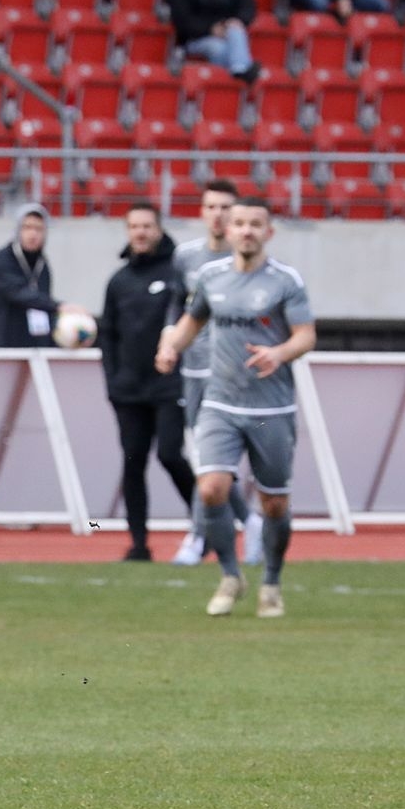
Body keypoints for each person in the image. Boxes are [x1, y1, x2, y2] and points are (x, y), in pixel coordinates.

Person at [156, 199, 316, 619]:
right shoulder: (211, 277)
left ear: (268, 232)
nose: (247, 231)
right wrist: (172, 347)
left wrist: (279, 353)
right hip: (220, 402)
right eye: (240, 223)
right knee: (211, 488)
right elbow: (193, 320)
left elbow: (305, 336)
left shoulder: (285, 281)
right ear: (228, 231)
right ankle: (230, 575)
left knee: (274, 504)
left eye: (255, 224)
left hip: (271, 408)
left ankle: (272, 583)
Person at [96, 203, 196, 562]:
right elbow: (108, 335)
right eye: (134, 226)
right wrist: (112, 380)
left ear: (159, 229)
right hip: (128, 389)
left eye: (147, 226)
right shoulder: (119, 280)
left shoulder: (177, 273)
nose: (140, 232)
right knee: (133, 462)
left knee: (170, 454)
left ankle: (207, 525)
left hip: (169, 385)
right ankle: (138, 544)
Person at [168, 179, 255, 567]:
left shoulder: (247, 261)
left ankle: (197, 536)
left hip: (231, 374)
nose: (218, 215)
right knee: (203, 458)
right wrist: (169, 342)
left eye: (225, 208)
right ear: (202, 212)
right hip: (193, 370)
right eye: (211, 207)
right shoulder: (186, 257)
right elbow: (177, 306)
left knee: (212, 460)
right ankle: (249, 521)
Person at [0, 204, 77, 347]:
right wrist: (59, 306)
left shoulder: (42, 264)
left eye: (39, 229)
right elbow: (18, 293)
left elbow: (44, 303)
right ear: (18, 230)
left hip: (36, 345)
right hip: (5, 345)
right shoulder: (0, 260)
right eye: (27, 227)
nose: (33, 234)